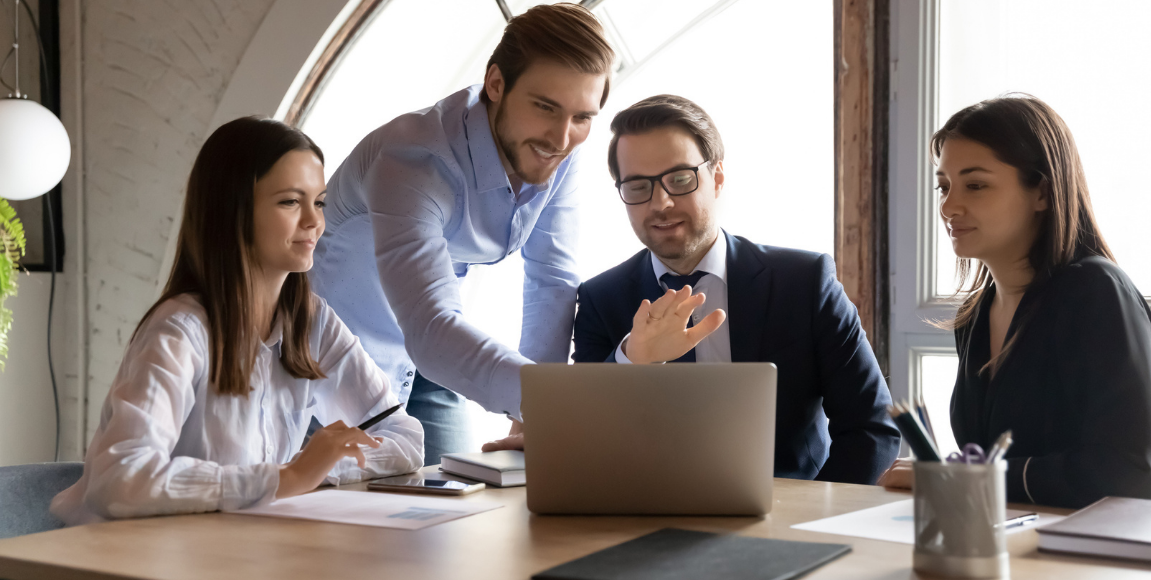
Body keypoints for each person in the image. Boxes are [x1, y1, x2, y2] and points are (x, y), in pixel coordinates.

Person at [487, 95, 900, 485]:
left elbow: (872, 428)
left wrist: (810, 522)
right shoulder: (600, 299)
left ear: (716, 177)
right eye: (637, 187)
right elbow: (594, 433)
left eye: (680, 179)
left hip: (793, 513)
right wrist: (631, 360)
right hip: (651, 524)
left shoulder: (805, 281)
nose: (660, 203)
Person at [51, 117, 423, 525]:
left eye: (318, 202)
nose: (315, 222)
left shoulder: (312, 322)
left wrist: (318, 469)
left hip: (233, 549)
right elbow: (118, 480)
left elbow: (405, 439)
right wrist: (286, 477)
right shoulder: (179, 330)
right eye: (289, 202)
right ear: (233, 211)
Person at [310, 4, 616, 465]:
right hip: (330, 361)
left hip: (432, 357)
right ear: (496, 84)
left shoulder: (560, 150)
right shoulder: (411, 160)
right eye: (544, 107)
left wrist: (533, 411)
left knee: (453, 515)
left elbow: (552, 280)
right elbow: (430, 326)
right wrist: (549, 403)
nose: (560, 136)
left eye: (582, 117)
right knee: (332, 525)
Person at [877, 95, 1151, 509]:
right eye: (944, 186)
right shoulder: (974, 315)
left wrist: (960, 477)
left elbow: (1130, 473)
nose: (949, 206)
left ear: (1042, 192)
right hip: (999, 543)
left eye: (976, 185)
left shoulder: (1095, 293)